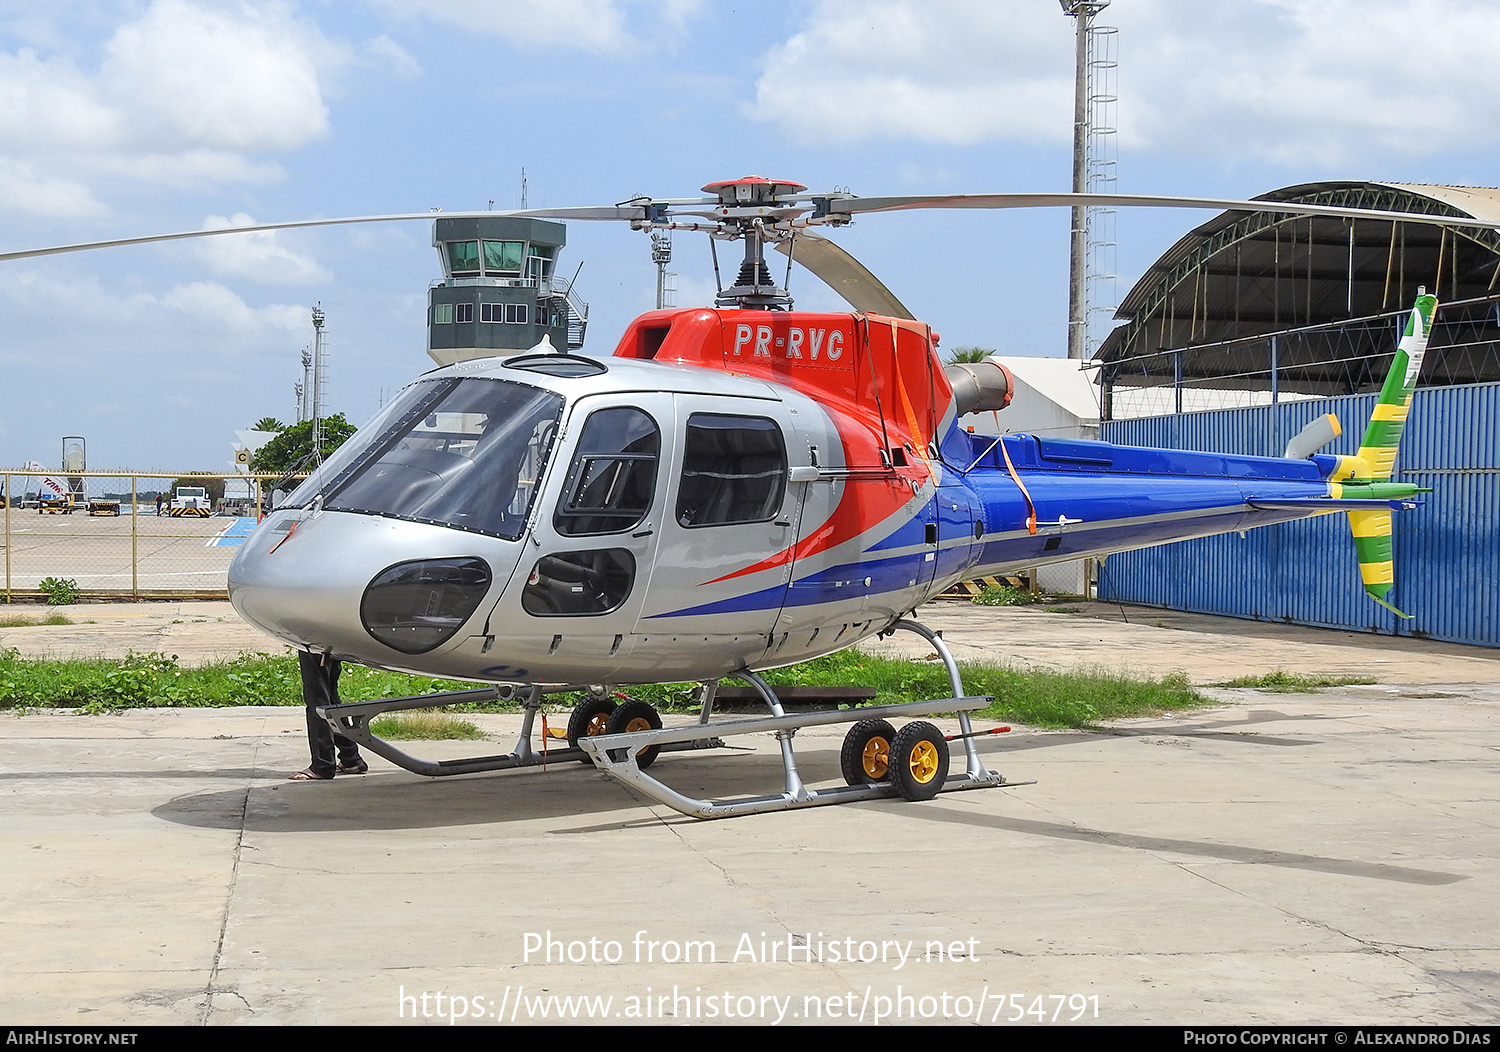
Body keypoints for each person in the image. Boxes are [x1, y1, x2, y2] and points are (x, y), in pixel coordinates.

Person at [290, 650, 368, 780]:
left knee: (318, 697)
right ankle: (350, 758)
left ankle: (323, 765)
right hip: (332, 639)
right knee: (331, 697)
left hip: (313, 639)